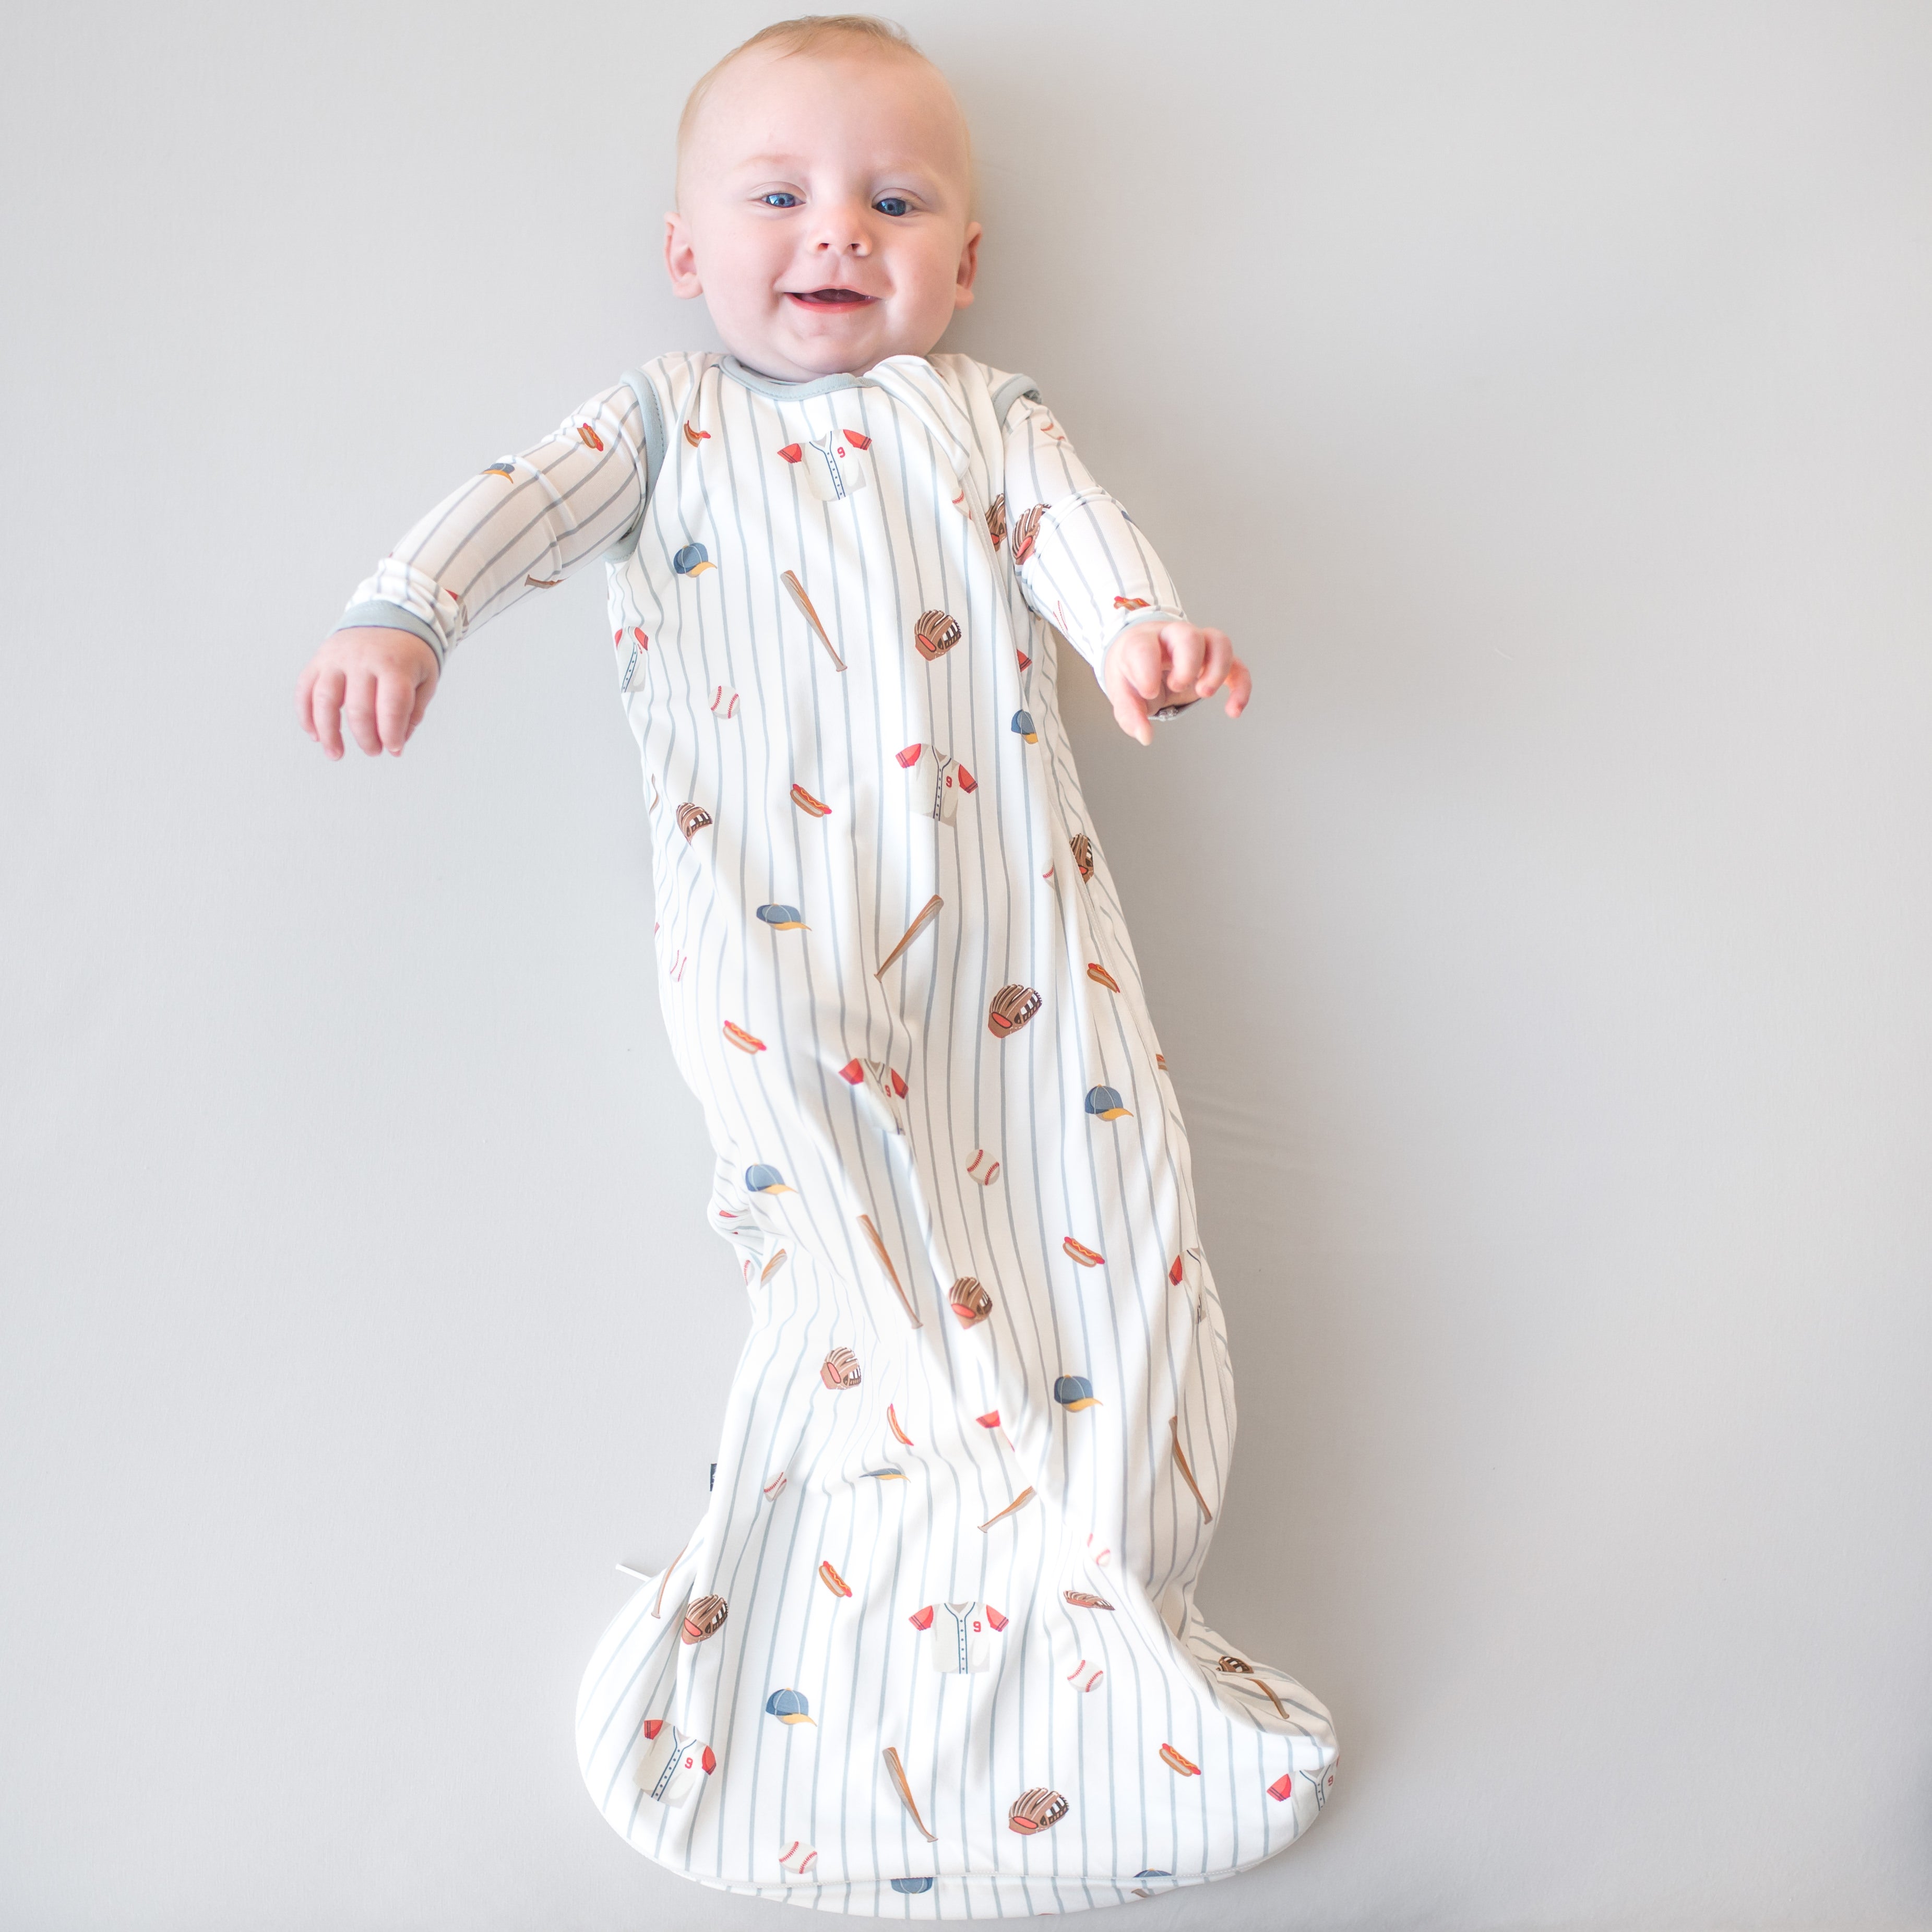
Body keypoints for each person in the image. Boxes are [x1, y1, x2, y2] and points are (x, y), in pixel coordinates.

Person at [297, 15, 1337, 1915]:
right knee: (823, 1188)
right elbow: (510, 503)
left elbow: (1082, 549)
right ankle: (930, 1499)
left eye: (895, 198)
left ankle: (1078, 1580)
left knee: (1113, 1223)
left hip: (1014, 922)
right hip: (765, 924)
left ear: (964, 260)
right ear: (690, 247)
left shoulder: (986, 416)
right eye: (777, 195)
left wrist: (1146, 643)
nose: (835, 230)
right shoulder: (664, 421)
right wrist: (404, 615)